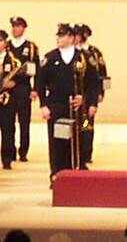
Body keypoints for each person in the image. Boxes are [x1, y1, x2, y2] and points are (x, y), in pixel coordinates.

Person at [36, 24, 99, 180]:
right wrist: (43, 105)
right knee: (58, 142)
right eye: (57, 35)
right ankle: (56, 175)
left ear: (71, 38)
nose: (58, 38)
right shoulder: (50, 58)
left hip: (76, 107)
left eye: (62, 35)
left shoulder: (83, 57)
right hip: (57, 105)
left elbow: (93, 83)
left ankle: (74, 174)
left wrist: (90, 102)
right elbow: (40, 82)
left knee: (76, 141)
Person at [7, 16, 39, 162]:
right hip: (8, 89)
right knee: (8, 122)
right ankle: (10, 150)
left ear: (24, 28)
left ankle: (23, 151)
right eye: (13, 26)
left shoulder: (31, 48)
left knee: (24, 122)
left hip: (23, 88)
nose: (15, 29)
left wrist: (35, 89)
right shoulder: (6, 46)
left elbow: (37, 70)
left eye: (18, 26)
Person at [74, 23, 106, 163]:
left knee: (88, 123)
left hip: (89, 92)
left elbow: (102, 73)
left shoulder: (94, 52)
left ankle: (86, 153)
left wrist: (101, 92)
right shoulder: (71, 53)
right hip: (75, 92)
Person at [0, 29, 19, 170]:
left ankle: (7, 160)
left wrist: (13, 84)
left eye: (0, 41)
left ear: (6, 43)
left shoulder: (13, 61)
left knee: (8, 131)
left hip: (8, 100)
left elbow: (22, 81)